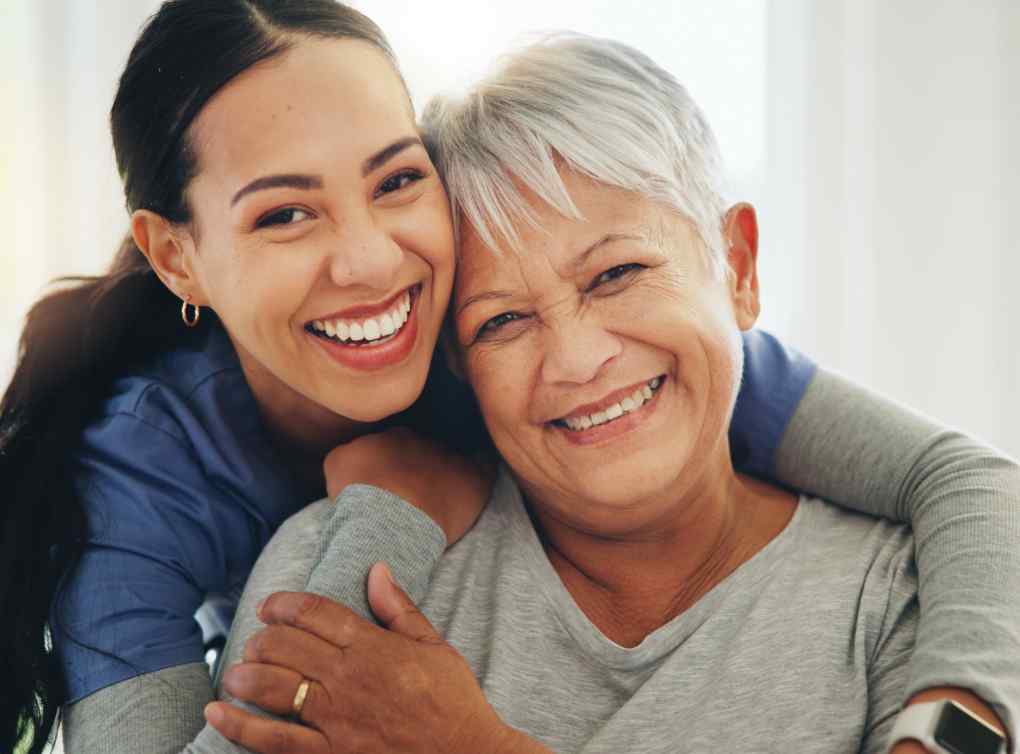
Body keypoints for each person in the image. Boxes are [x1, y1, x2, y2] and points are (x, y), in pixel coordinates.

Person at [0, 2, 1012, 752]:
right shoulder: (150, 485)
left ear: (737, 267)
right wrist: (386, 519)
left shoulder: (867, 574)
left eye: (396, 179)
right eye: (284, 213)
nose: (372, 262)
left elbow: (966, 478)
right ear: (177, 257)